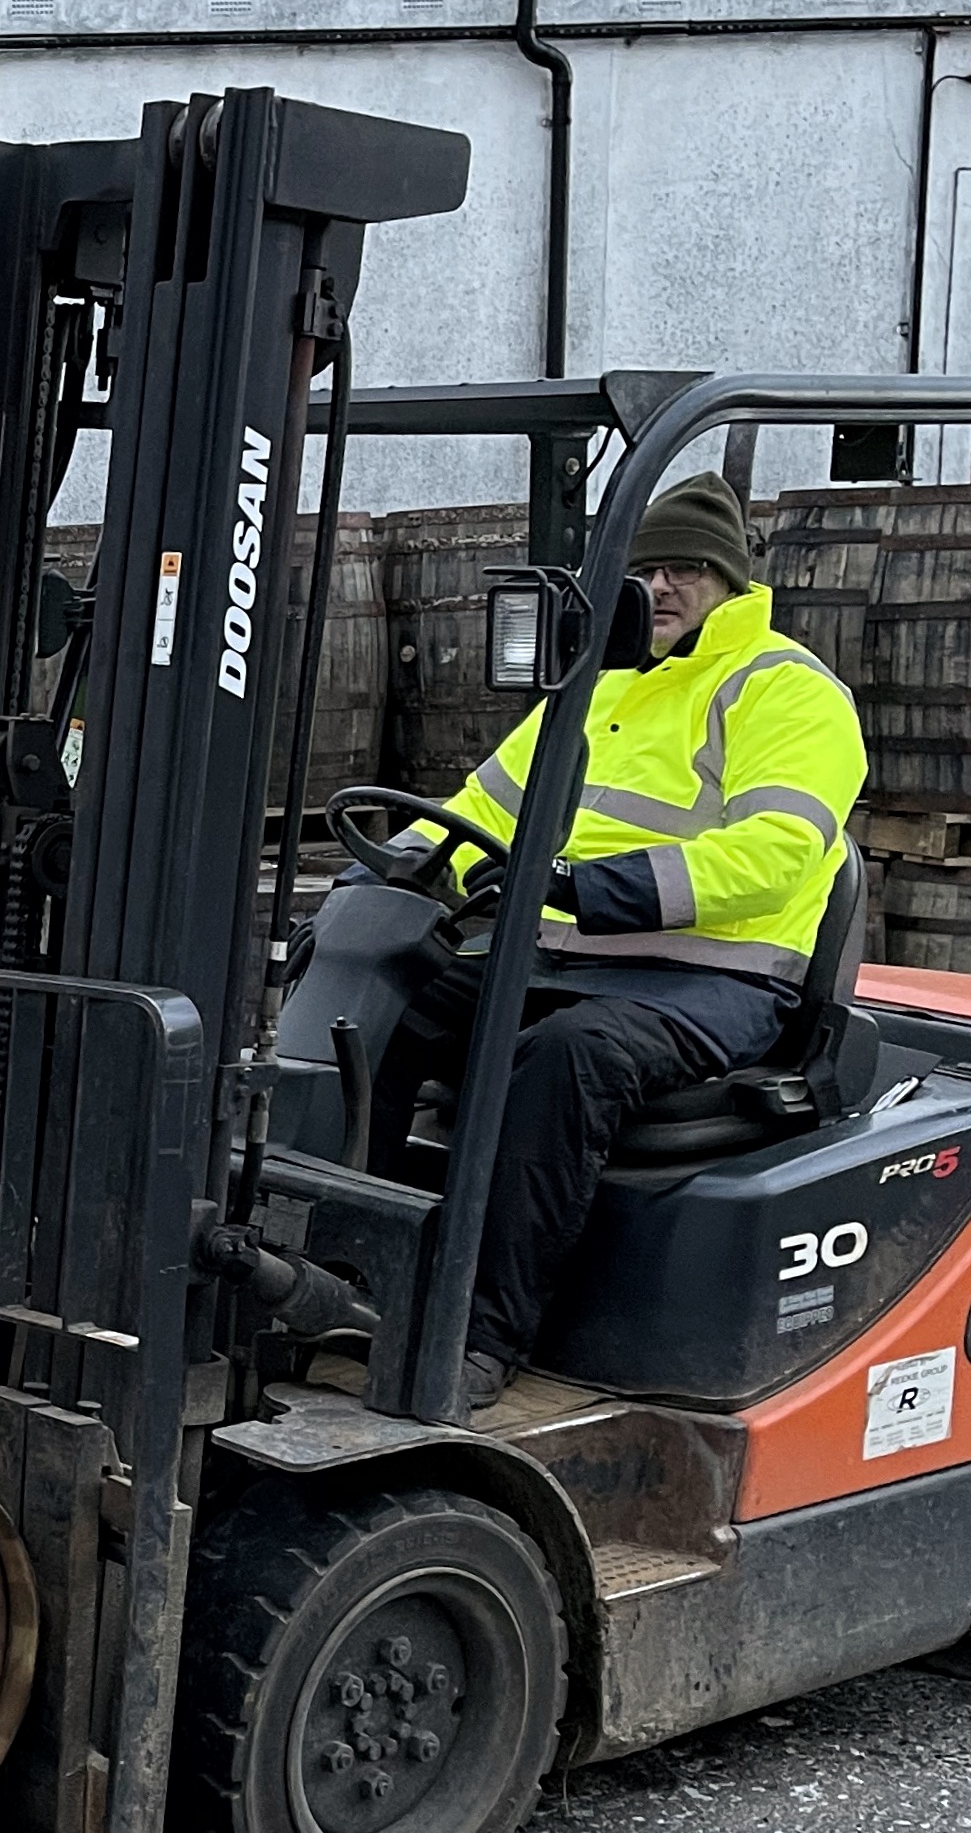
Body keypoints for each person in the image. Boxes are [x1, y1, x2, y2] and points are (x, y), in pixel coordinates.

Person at [364, 468, 867, 1418]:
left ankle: (483, 1335)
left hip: (714, 980)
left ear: (729, 581)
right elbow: (482, 808)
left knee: (566, 1056)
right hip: (568, 956)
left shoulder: (785, 692)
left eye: (685, 571)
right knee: (382, 1007)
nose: (661, 588)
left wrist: (586, 888)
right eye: (646, 571)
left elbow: (774, 855)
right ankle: (352, 1274)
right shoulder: (597, 685)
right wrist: (390, 871)